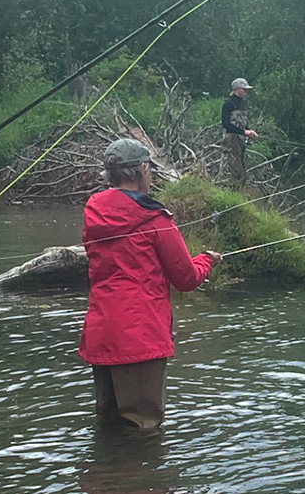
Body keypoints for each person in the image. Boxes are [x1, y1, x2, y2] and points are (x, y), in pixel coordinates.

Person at [80, 138, 219, 430]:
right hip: (139, 336)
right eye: (150, 170)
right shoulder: (155, 219)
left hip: (101, 332)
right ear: (142, 169)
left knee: (108, 426)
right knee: (143, 429)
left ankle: (103, 475)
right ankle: (142, 477)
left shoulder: (94, 211)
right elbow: (186, 279)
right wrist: (207, 259)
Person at [219, 76, 257, 187]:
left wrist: (249, 132)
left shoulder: (242, 104)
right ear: (237, 89)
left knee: (242, 170)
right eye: (244, 89)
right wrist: (244, 132)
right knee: (235, 171)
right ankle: (234, 192)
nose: (246, 92)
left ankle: (239, 191)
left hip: (240, 140)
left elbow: (243, 122)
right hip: (231, 140)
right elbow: (226, 125)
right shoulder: (228, 104)